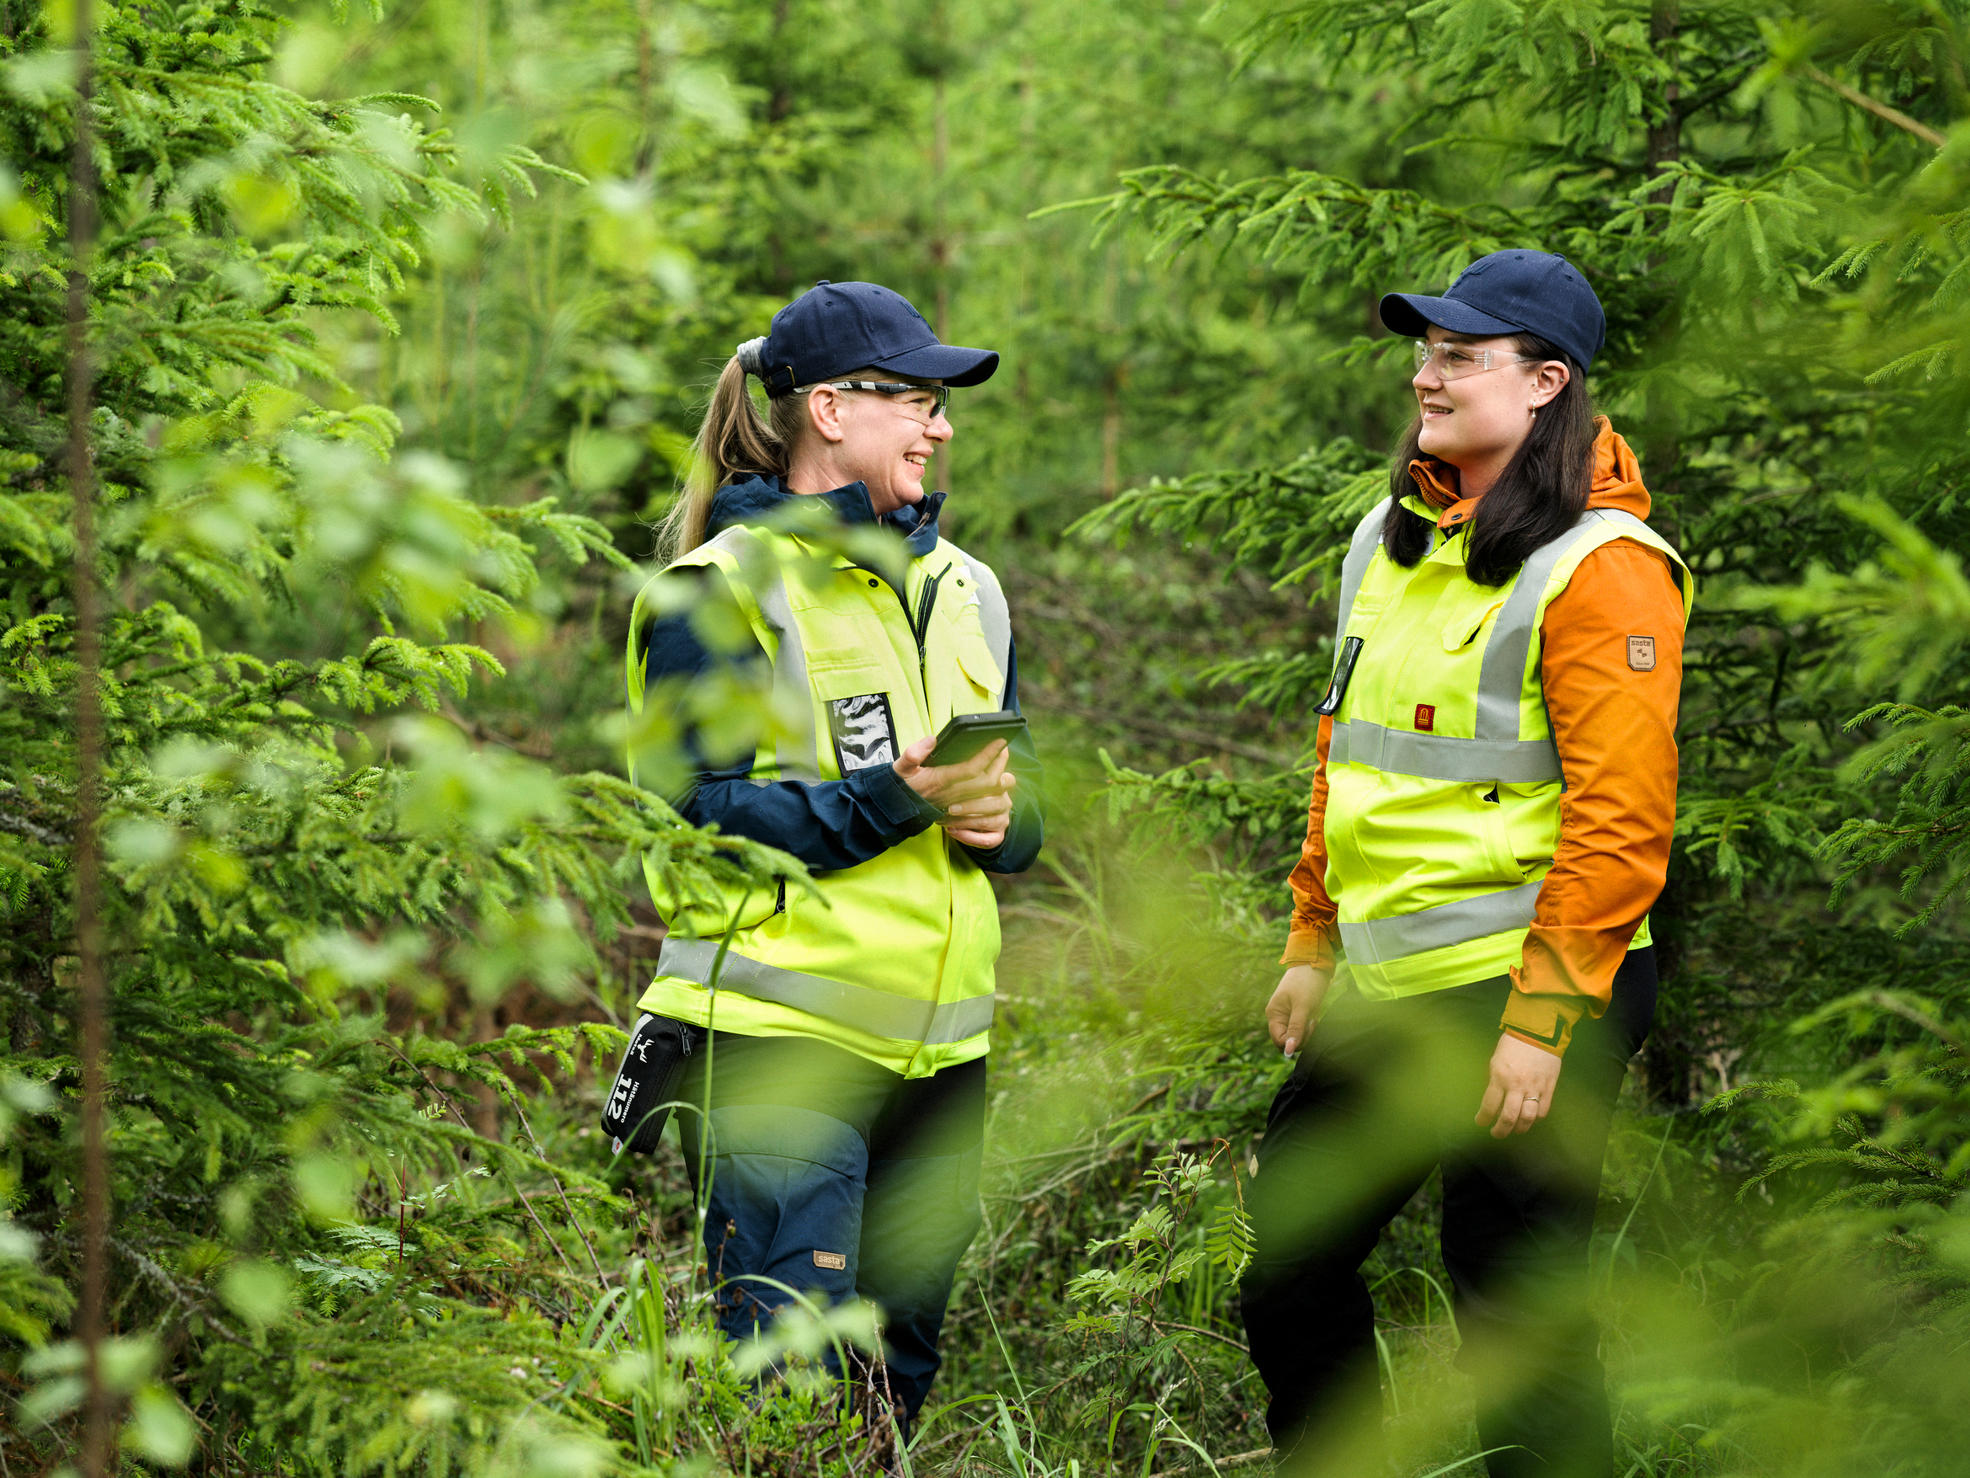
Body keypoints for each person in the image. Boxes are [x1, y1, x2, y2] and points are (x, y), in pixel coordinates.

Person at [1239, 250, 1693, 1477]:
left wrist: (1539, 1022)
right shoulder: (1385, 539)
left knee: (1511, 1316)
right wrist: (1311, 937)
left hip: (1532, 983)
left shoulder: (1601, 567)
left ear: (1545, 382)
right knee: (1287, 1265)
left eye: (1457, 356)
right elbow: (1346, 755)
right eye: (1425, 350)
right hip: (1390, 980)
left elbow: (1619, 818)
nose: (1423, 376)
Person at [622, 280, 1043, 1447]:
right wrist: (892, 801)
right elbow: (688, 812)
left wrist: (996, 822)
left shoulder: (969, 588)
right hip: (778, 1048)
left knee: (897, 1364)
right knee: (789, 1379)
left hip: (942, 1051)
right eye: (912, 398)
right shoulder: (718, 589)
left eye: (941, 403)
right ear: (825, 410)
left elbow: (1021, 802)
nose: (939, 423)